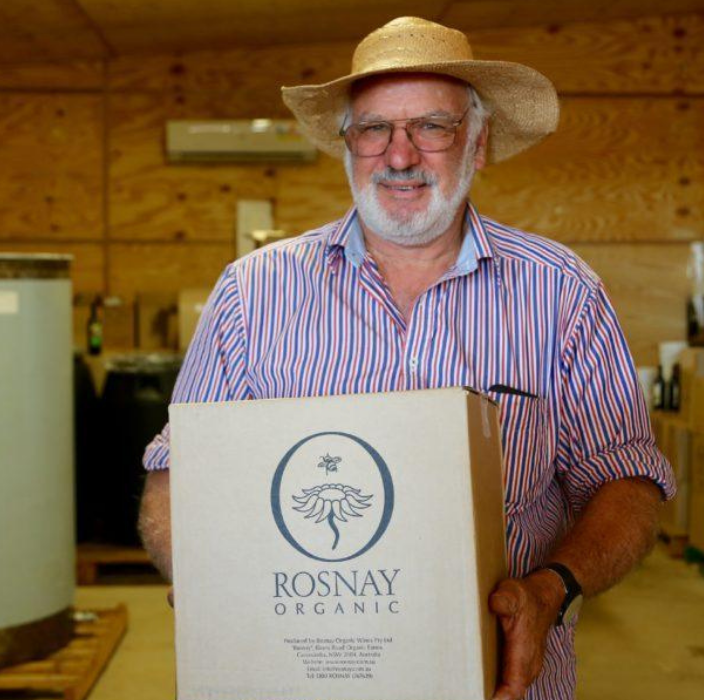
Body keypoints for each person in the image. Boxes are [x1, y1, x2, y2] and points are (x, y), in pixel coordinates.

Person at [138, 16, 675, 700]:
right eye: (373, 129)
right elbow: (176, 474)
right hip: (297, 680)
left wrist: (551, 588)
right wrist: (204, 581)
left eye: (431, 127)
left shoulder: (561, 290)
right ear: (347, 144)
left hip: (497, 680)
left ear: (477, 144)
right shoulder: (253, 293)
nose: (398, 155)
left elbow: (625, 482)